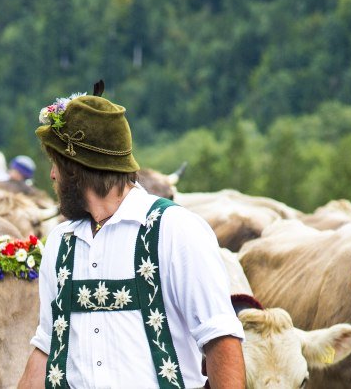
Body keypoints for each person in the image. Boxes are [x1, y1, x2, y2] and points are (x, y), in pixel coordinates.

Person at [19, 88, 245, 388]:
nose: (51, 176)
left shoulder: (176, 230)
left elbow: (221, 338)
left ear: (76, 169)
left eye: (56, 164)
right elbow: (48, 346)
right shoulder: (60, 243)